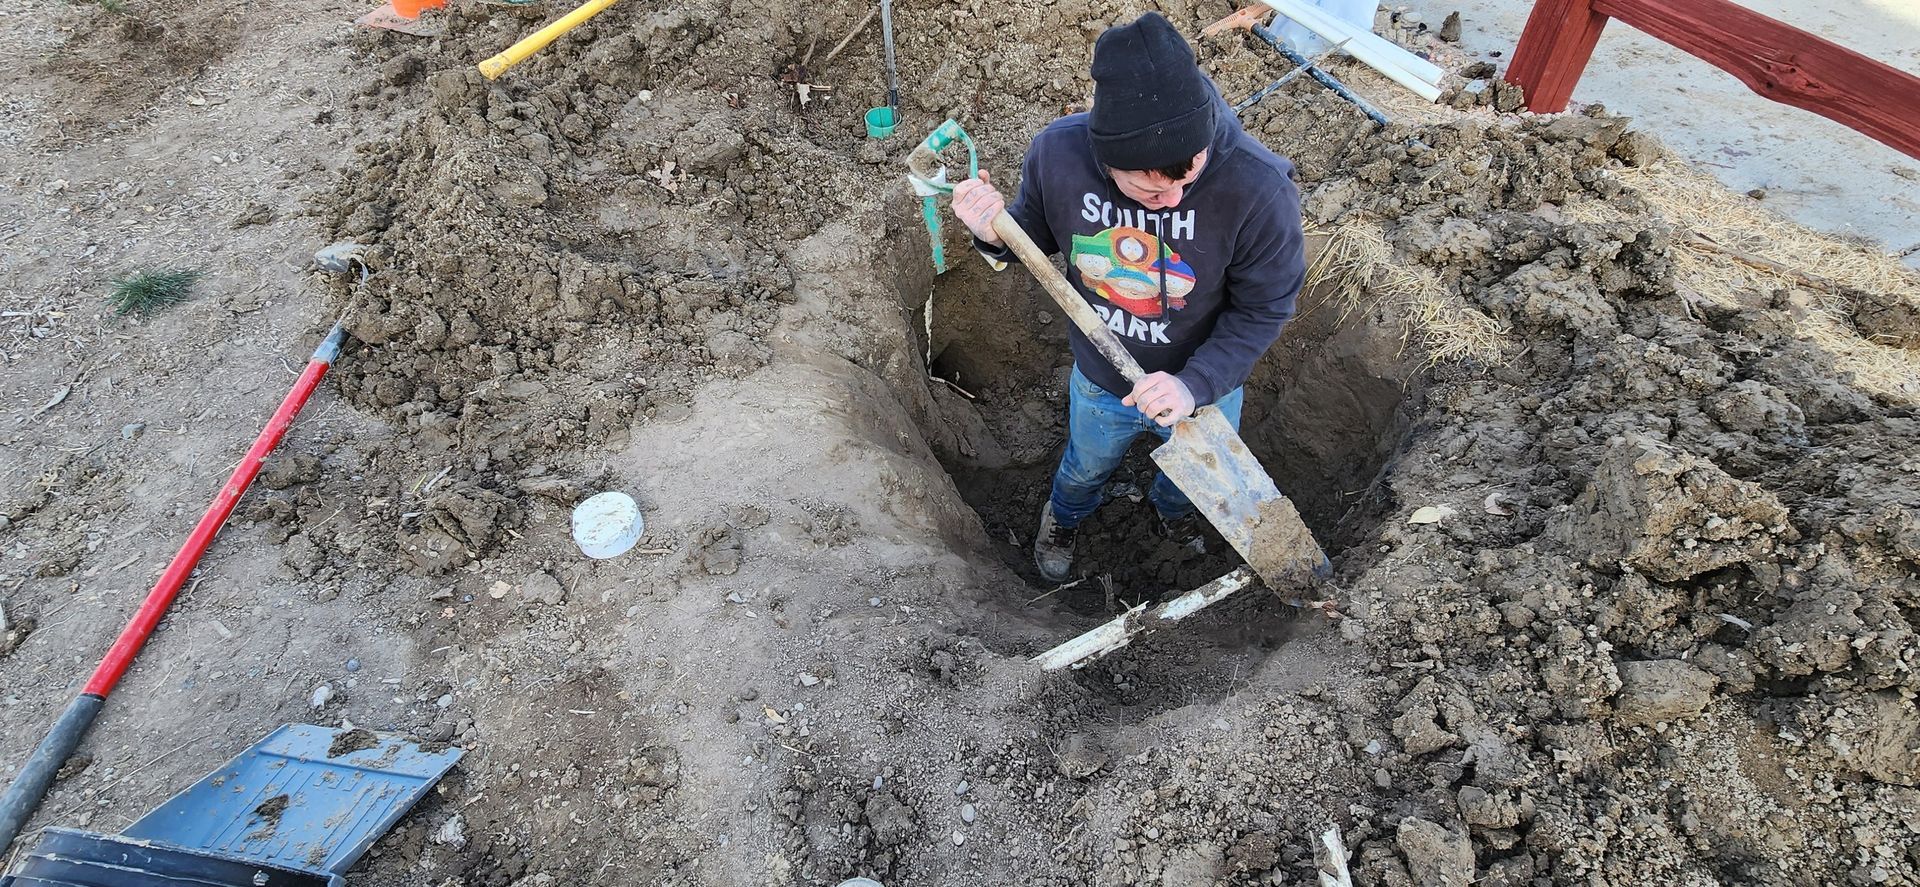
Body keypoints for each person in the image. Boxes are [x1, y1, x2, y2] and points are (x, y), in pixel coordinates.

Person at [949, 11, 1306, 583]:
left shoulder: (1258, 188)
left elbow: (1263, 308)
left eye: (1187, 182)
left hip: (1205, 384)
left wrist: (1196, 385)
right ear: (1106, 159)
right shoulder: (1058, 155)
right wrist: (993, 233)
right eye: (1149, 189)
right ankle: (1065, 516)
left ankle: (1172, 515)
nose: (1170, 202)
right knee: (1086, 464)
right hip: (1102, 378)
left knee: (1191, 475)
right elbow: (1029, 240)